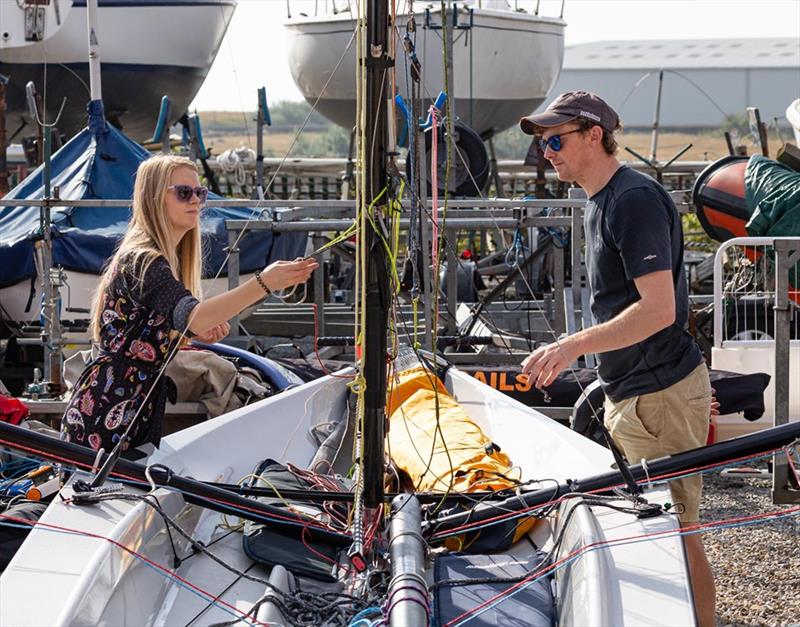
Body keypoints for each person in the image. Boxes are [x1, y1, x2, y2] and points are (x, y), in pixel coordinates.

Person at [518, 92, 716, 626]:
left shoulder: (631, 200)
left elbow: (657, 310)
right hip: (638, 391)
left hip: (660, 392)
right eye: (542, 145)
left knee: (673, 533)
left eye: (556, 141)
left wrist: (571, 346)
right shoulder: (599, 199)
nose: (548, 154)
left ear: (593, 135)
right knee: (662, 529)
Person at [61, 155, 317, 453]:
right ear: (155, 198)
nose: (195, 200)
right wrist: (264, 283)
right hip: (108, 410)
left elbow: (144, 330)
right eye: (184, 193)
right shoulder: (144, 260)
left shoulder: (153, 260)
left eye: (201, 193)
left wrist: (187, 335)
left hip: (124, 406)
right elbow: (195, 316)